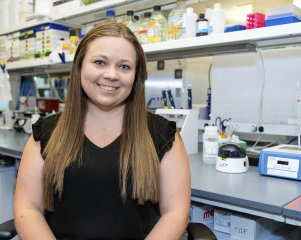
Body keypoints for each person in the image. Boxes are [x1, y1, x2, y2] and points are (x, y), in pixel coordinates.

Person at [14, 21, 191, 240]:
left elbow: (176, 213)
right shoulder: (46, 134)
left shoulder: (163, 136)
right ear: (79, 67)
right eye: (100, 62)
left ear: (136, 76)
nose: (111, 75)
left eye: (124, 66)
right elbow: (27, 208)